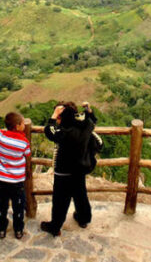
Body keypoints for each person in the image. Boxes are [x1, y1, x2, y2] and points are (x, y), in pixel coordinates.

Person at [40, 101, 103, 236]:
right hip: (79, 169)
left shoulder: (64, 132)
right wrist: (88, 110)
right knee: (81, 196)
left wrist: (53, 115)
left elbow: (49, 130)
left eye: (59, 117)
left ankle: (55, 226)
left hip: (63, 172)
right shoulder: (85, 127)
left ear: (62, 117)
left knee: (60, 201)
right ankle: (83, 219)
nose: (57, 120)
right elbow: (92, 122)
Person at [0, 108, 31, 239]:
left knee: (1, 207)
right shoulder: (24, 143)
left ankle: (2, 229)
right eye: (22, 123)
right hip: (17, 182)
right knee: (19, 207)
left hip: (2, 181)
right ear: (17, 126)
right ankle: (18, 230)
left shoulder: (0, 137)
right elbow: (27, 154)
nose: (24, 125)